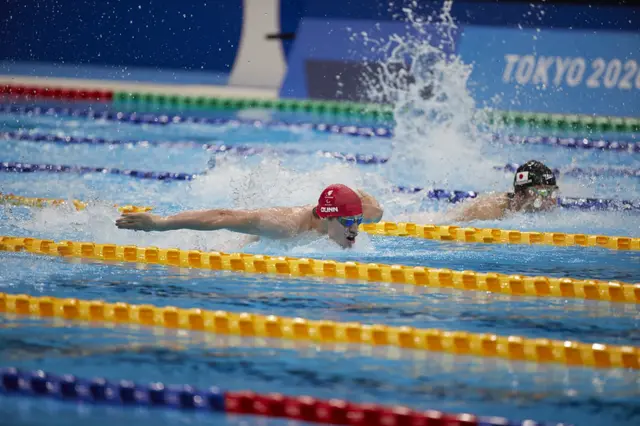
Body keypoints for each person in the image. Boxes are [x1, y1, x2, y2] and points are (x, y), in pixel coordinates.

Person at [115, 184, 383, 249]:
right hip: (252, 243)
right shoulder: (285, 227)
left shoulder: (356, 215)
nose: (356, 229)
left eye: (358, 220)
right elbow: (223, 216)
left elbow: (372, 210)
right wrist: (162, 225)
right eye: (349, 222)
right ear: (328, 218)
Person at [449, 160, 559, 222]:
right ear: (520, 195)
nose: (549, 200)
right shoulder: (488, 210)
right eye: (542, 192)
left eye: (552, 192)